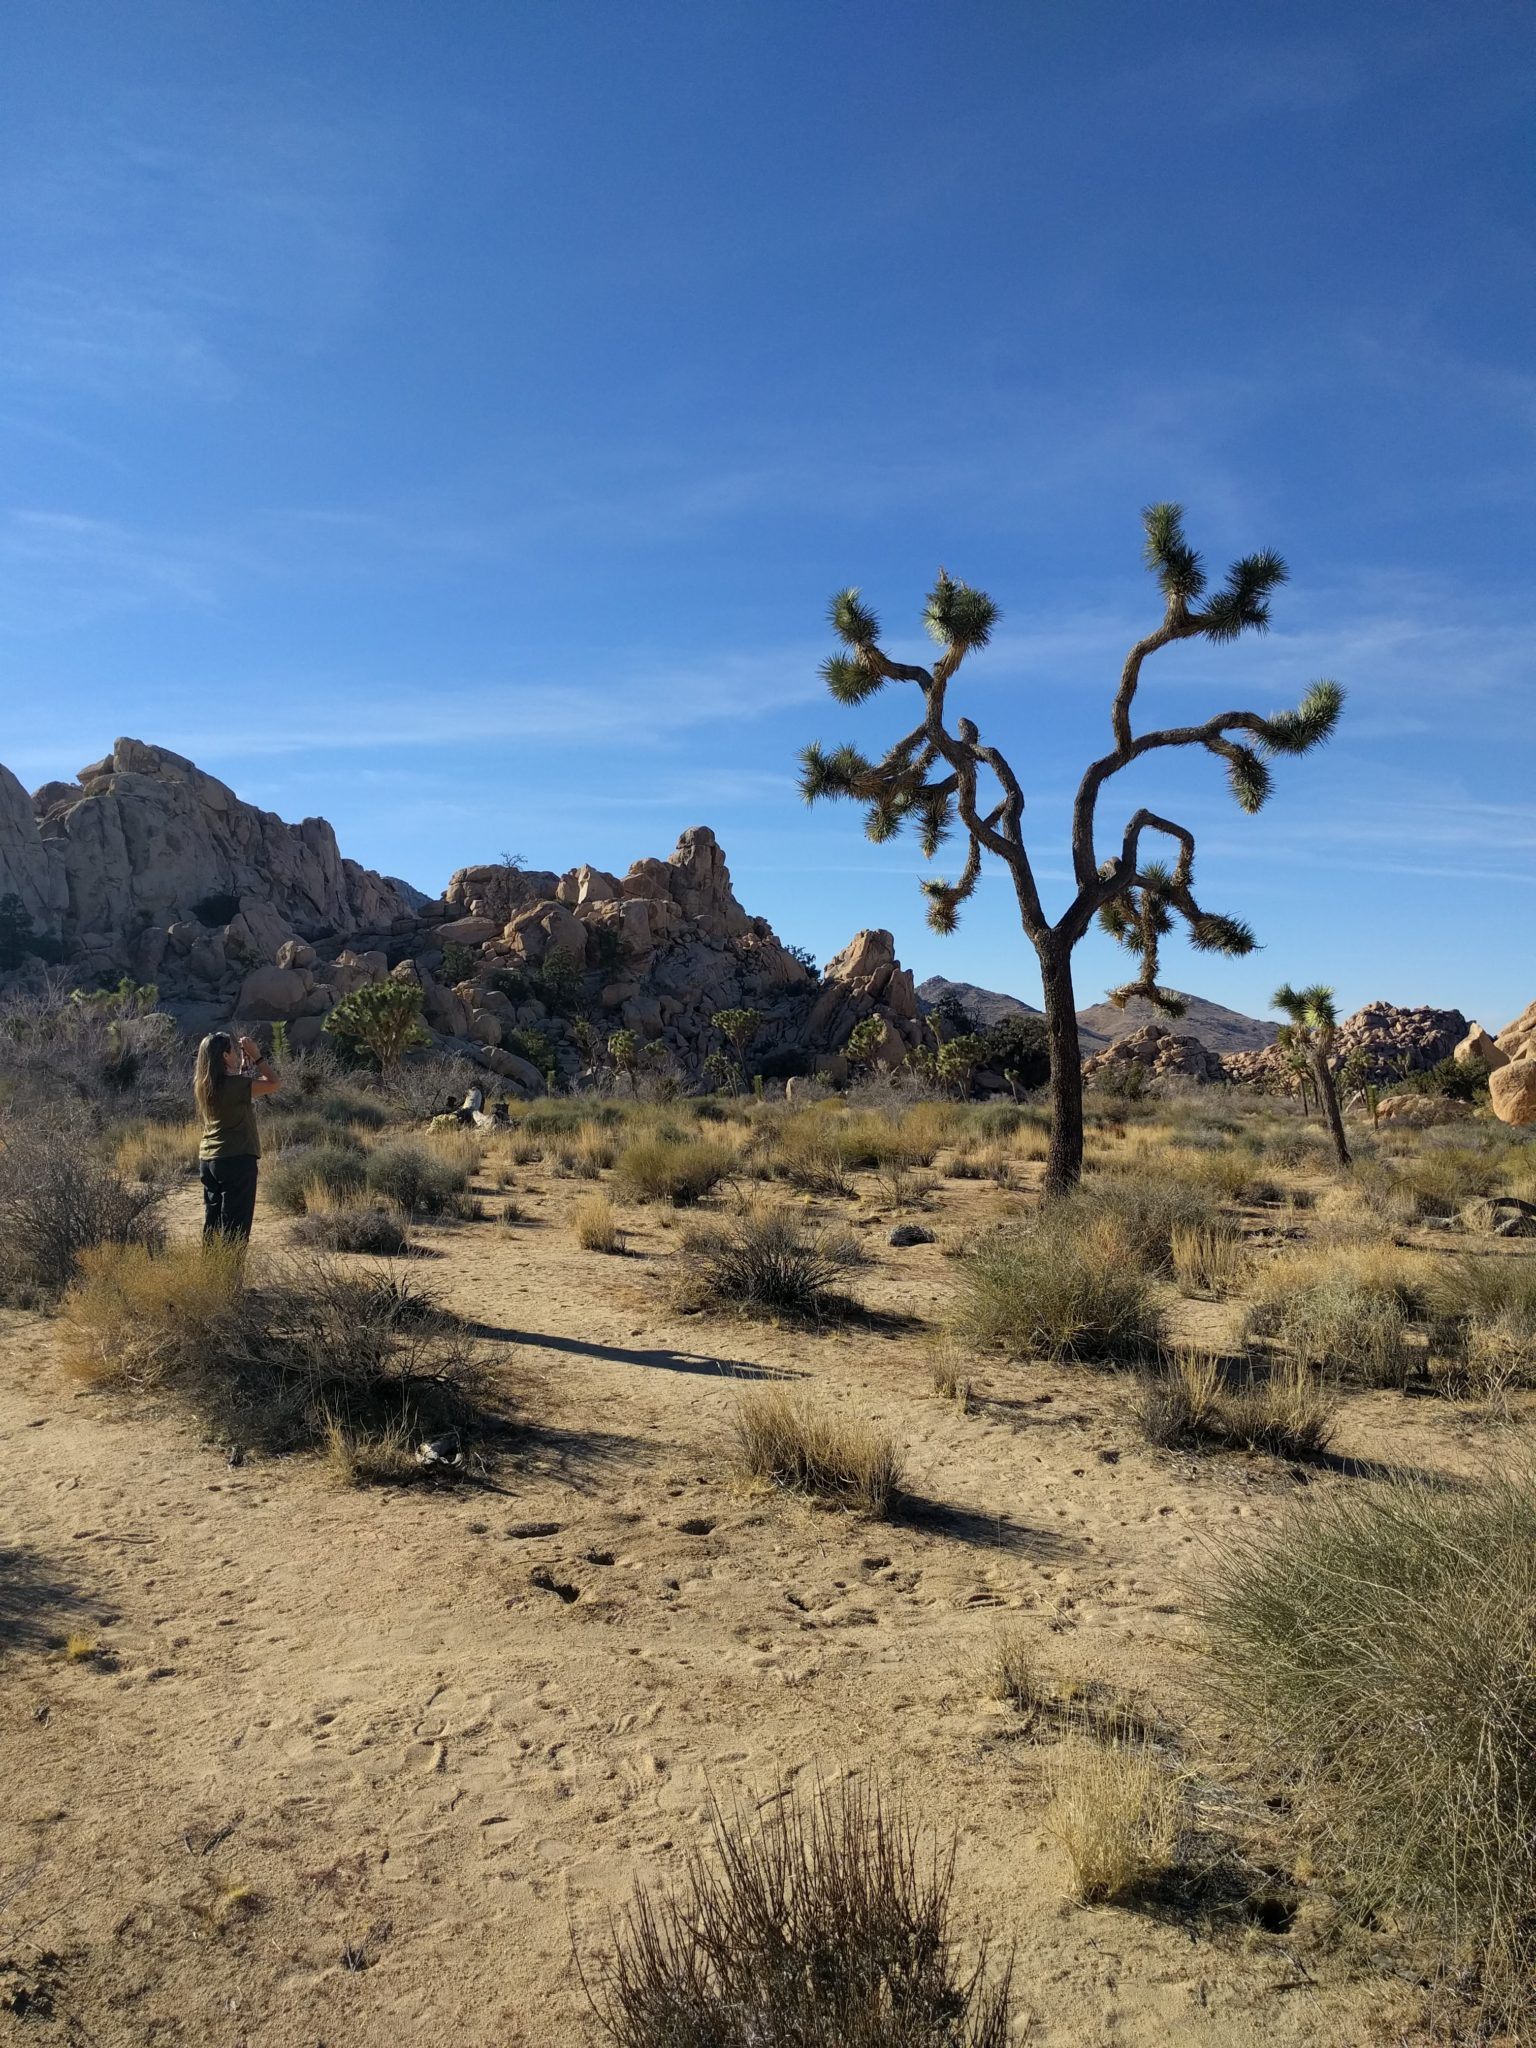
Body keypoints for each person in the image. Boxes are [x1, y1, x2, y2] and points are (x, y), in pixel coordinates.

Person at [194, 1031, 281, 1242]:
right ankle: (231, 1273)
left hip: (209, 1160)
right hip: (237, 1159)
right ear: (224, 1056)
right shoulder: (236, 1086)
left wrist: (243, 1065)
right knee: (235, 1229)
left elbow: (236, 1087)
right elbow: (274, 1083)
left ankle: (211, 1271)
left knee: (213, 1224)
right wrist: (257, 1056)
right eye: (232, 1050)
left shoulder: (204, 1084)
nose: (234, 1054)